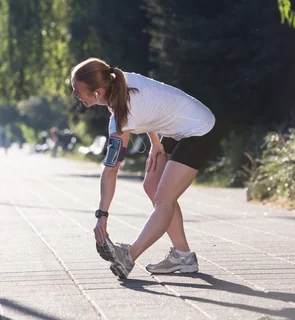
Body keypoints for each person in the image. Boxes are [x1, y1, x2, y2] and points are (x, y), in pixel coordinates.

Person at [70, 58, 218, 279]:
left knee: (163, 199)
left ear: (98, 92)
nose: (74, 95)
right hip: (177, 129)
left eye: (77, 90)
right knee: (151, 185)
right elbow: (151, 107)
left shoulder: (121, 115)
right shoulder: (117, 83)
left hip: (199, 128)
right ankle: (183, 255)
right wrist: (156, 143)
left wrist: (102, 215)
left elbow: (110, 170)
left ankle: (129, 255)